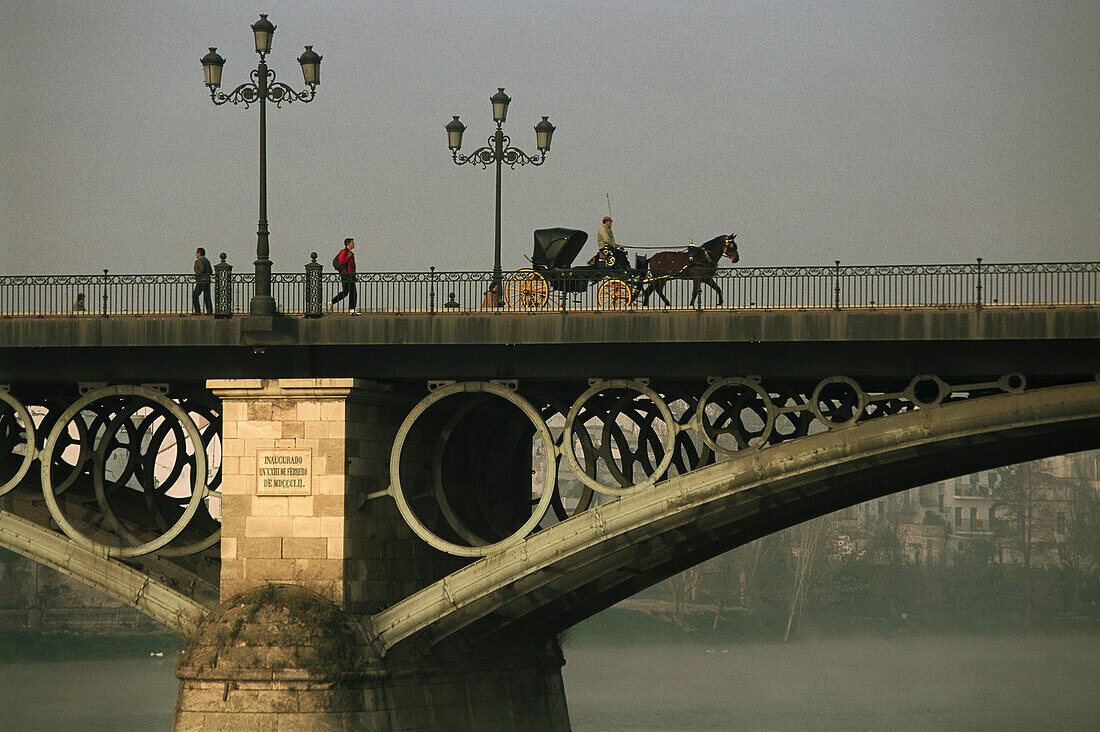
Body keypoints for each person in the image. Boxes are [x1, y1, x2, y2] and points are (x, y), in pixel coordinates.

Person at [330, 238, 358, 314]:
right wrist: (348, 257)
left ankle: (332, 302)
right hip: (346, 275)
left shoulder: (349, 252)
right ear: (348, 244)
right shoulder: (344, 252)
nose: (354, 244)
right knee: (353, 292)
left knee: (345, 292)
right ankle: (351, 309)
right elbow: (341, 261)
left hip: (349, 275)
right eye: (352, 243)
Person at [192, 248, 213, 315]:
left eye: (196, 252)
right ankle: (209, 311)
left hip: (201, 280)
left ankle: (197, 310)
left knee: (195, 295)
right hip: (207, 280)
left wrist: (197, 274)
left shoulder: (198, 261)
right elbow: (211, 271)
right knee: (207, 296)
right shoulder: (207, 260)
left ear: (199, 253)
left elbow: (201, 269)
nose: (196, 254)